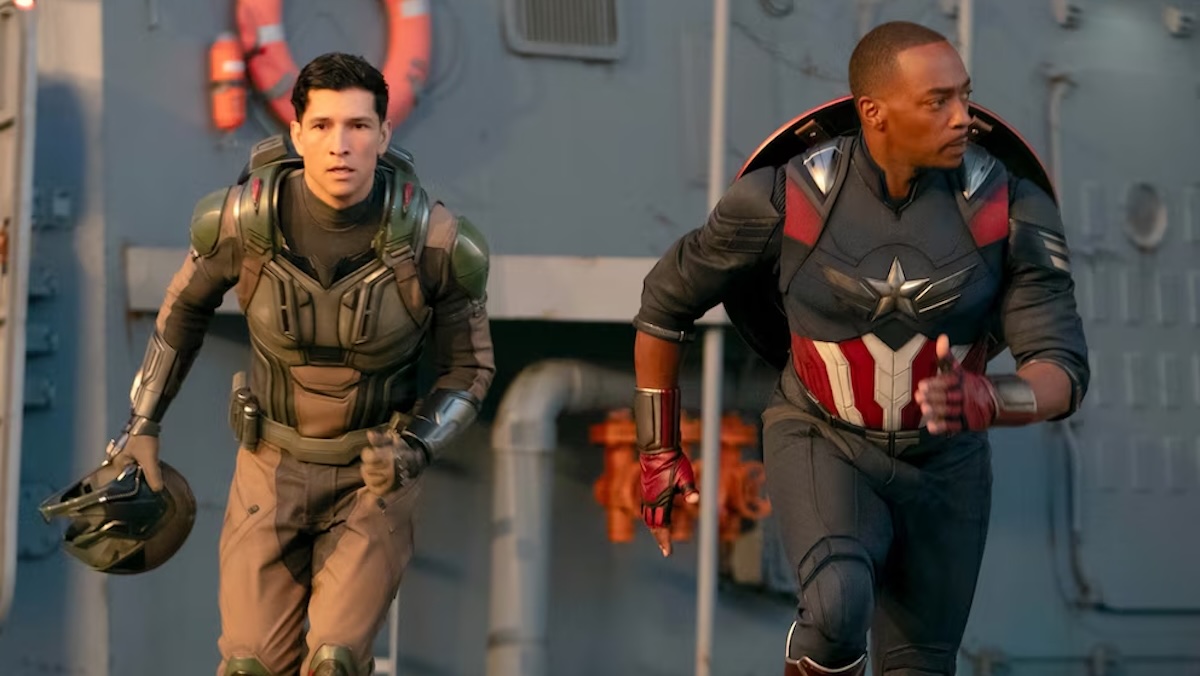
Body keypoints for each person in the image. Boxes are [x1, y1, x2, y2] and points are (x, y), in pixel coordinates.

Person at [631, 21, 1088, 676]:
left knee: (920, 665)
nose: (963, 117)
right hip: (823, 437)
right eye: (938, 101)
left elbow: (1062, 368)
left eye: (965, 95)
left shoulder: (1013, 209)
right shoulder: (782, 200)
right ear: (874, 112)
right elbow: (664, 304)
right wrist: (658, 452)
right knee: (836, 607)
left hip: (947, 465)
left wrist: (992, 398)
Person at [109, 52, 494, 675]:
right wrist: (142, 426)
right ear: (296, 133)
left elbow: (470, 369)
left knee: (334, 660)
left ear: (384, 134)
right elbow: (182, 311)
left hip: (371, 479)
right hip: (271, 467)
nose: (340, 145)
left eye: (358, 125)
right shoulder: (242, 223)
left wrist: (414, 450)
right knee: (248, 666)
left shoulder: (437, 242)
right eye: (322, 126)